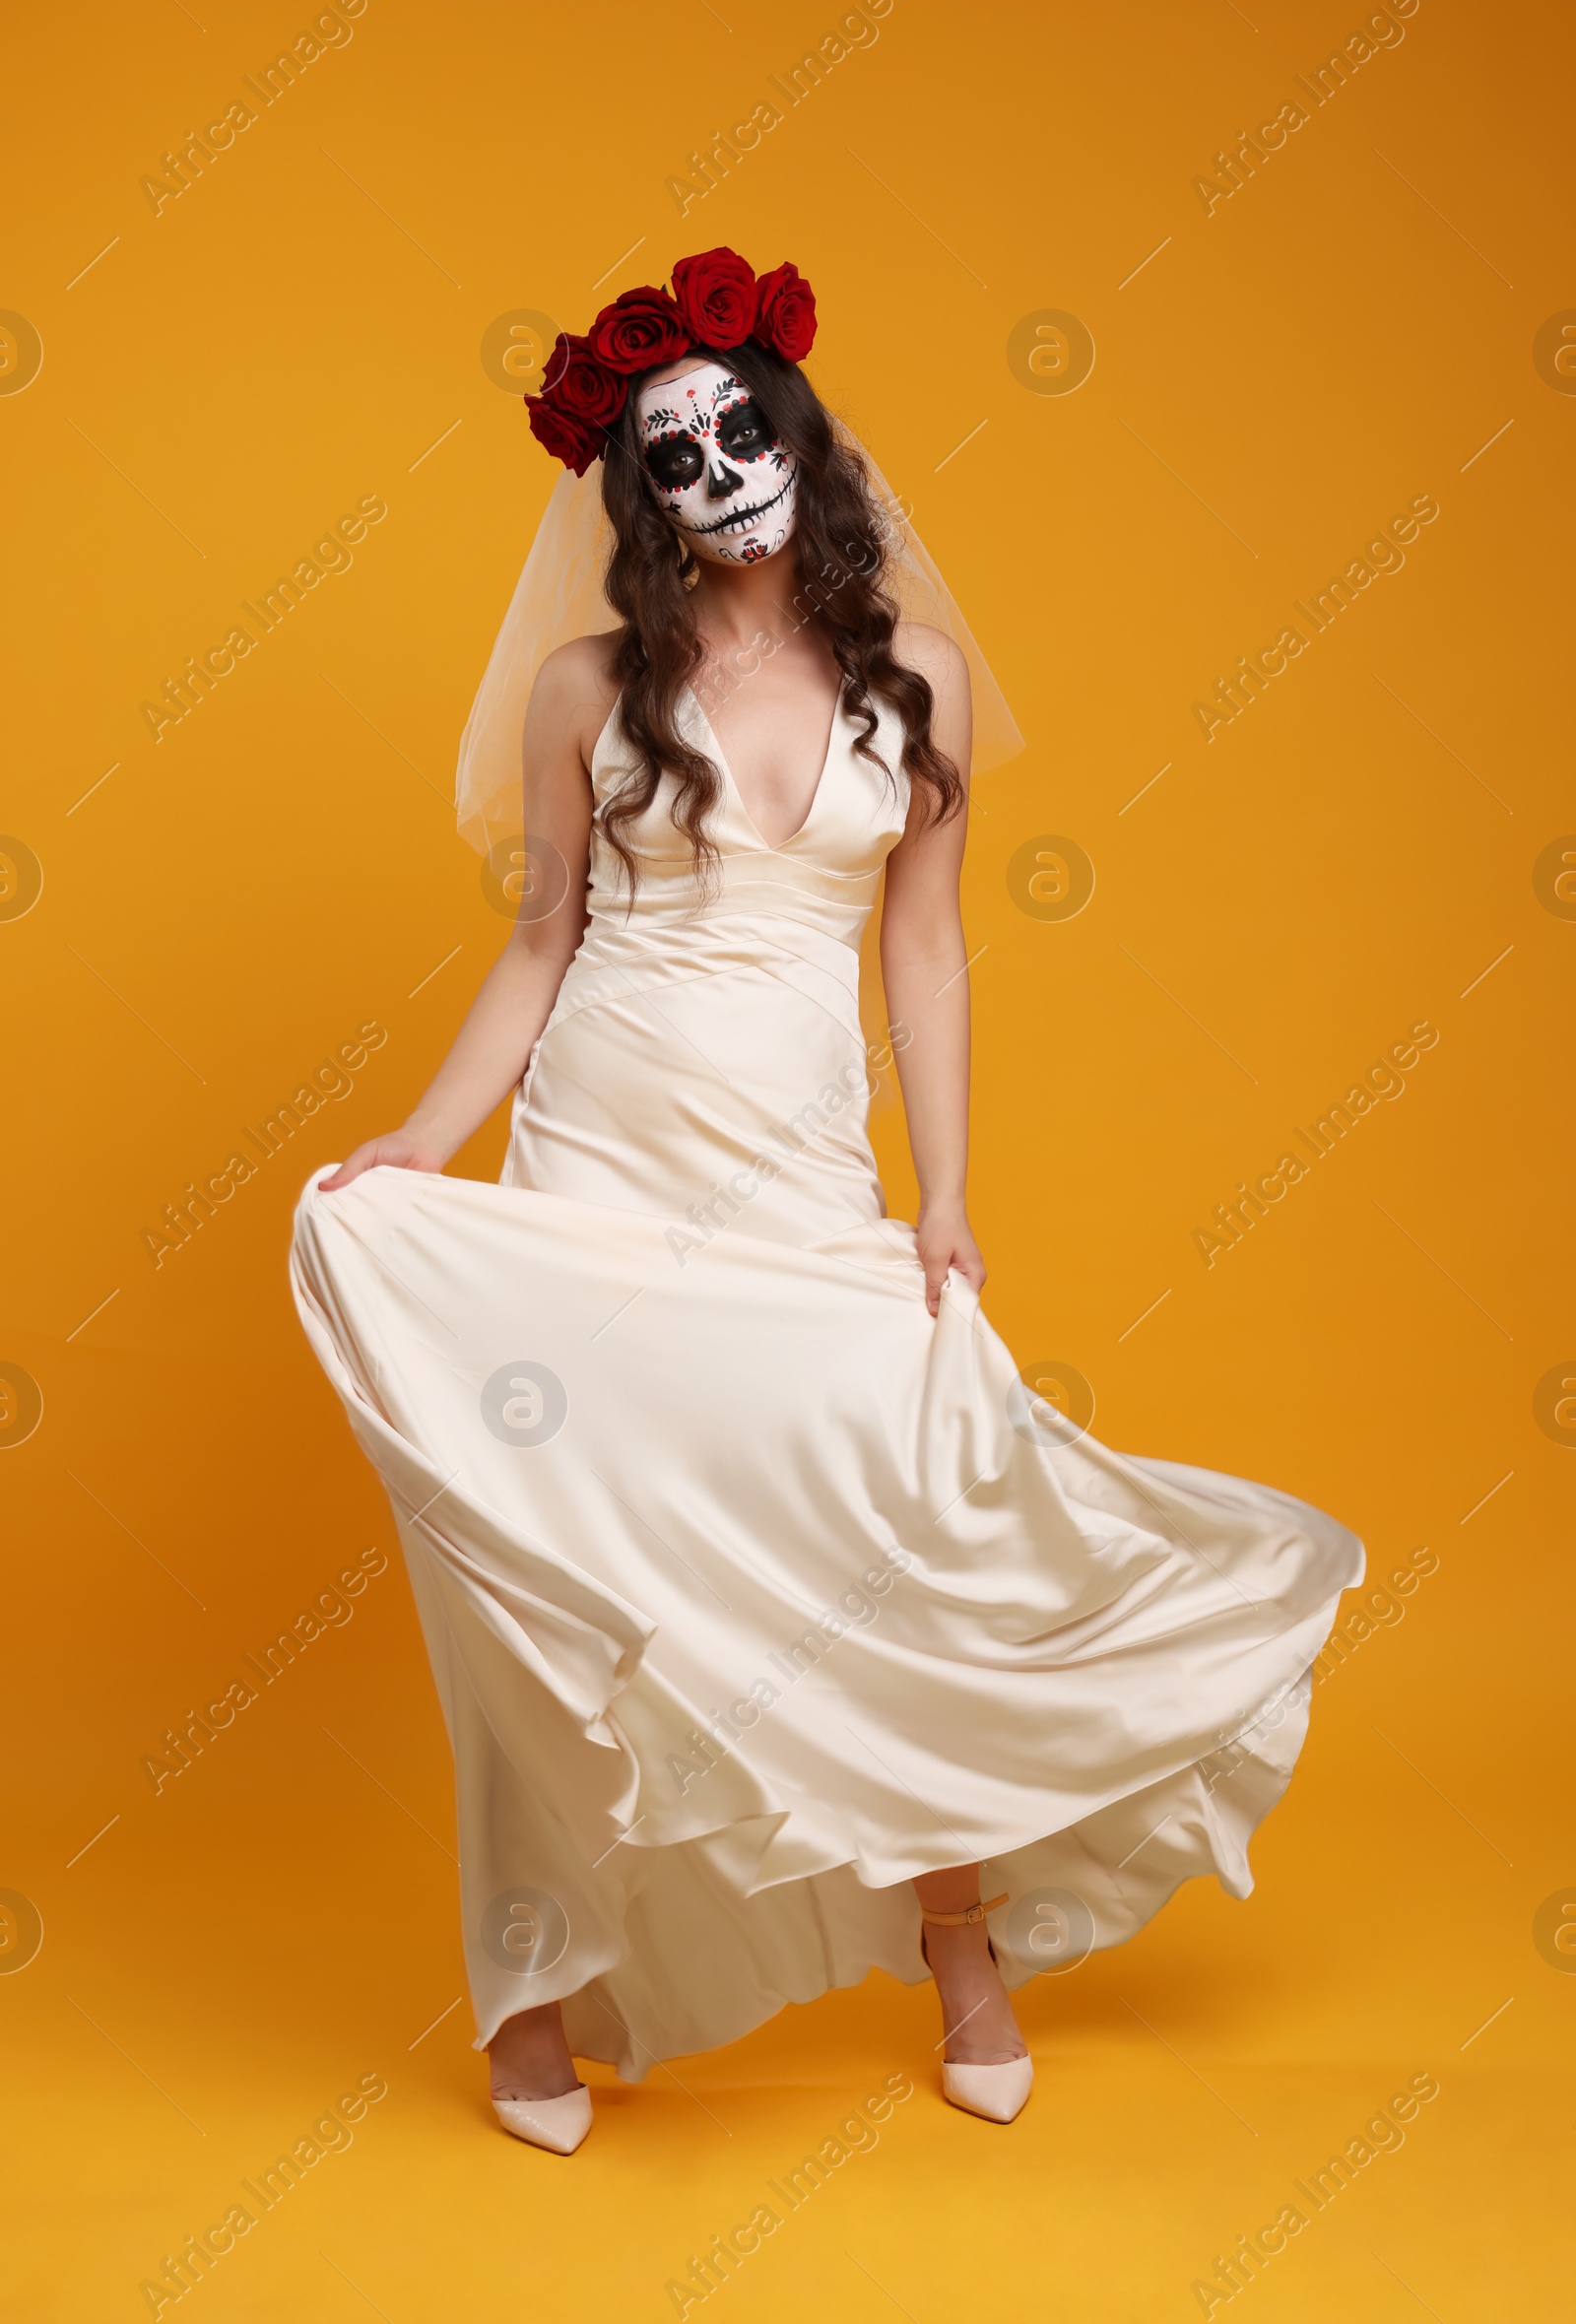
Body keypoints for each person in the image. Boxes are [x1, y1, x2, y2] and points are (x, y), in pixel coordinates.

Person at [291, 246, 1362, 2157]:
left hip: (799, 1189)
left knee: (892, 1539)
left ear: (797, 436)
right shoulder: (581, 686)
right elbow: (538, 942)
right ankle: (533, 1990)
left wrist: (943, 1192)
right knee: (553, 1579)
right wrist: (418, 1145)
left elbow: (926, 956)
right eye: (666, 450)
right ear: (633, 496)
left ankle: (961, 1949)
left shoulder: (915, 680)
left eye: (736, 428)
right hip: (595, 1182)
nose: (711, 466)